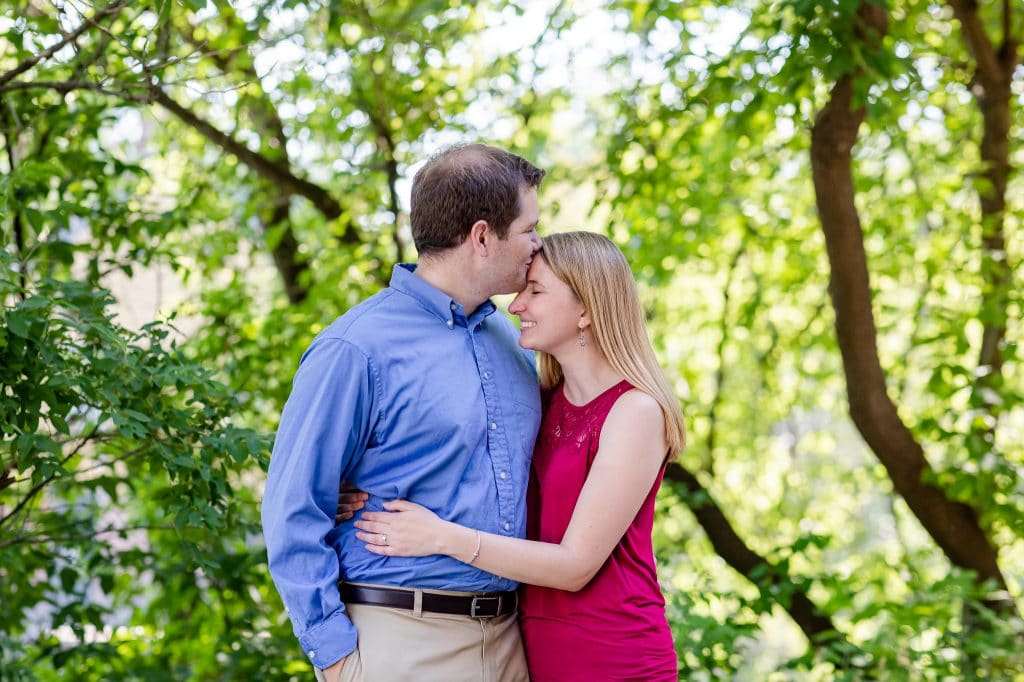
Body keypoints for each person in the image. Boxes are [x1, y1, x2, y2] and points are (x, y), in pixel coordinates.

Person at [261, 143, 546, 682]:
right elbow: (293, 506)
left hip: (510, 640)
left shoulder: (512, 339)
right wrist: (338, 659)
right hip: (399, 641)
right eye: (529, 229)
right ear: (483, 237)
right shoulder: (355, 348)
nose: (539, 244)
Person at [353, 231, 686, 681]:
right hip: (536, 653)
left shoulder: (636, 411)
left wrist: (440, 537)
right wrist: (349, 488)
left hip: (615, 656)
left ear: (586, 309)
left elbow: (574, 566)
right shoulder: (542, 401)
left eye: (536, 291)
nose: (515, 306)